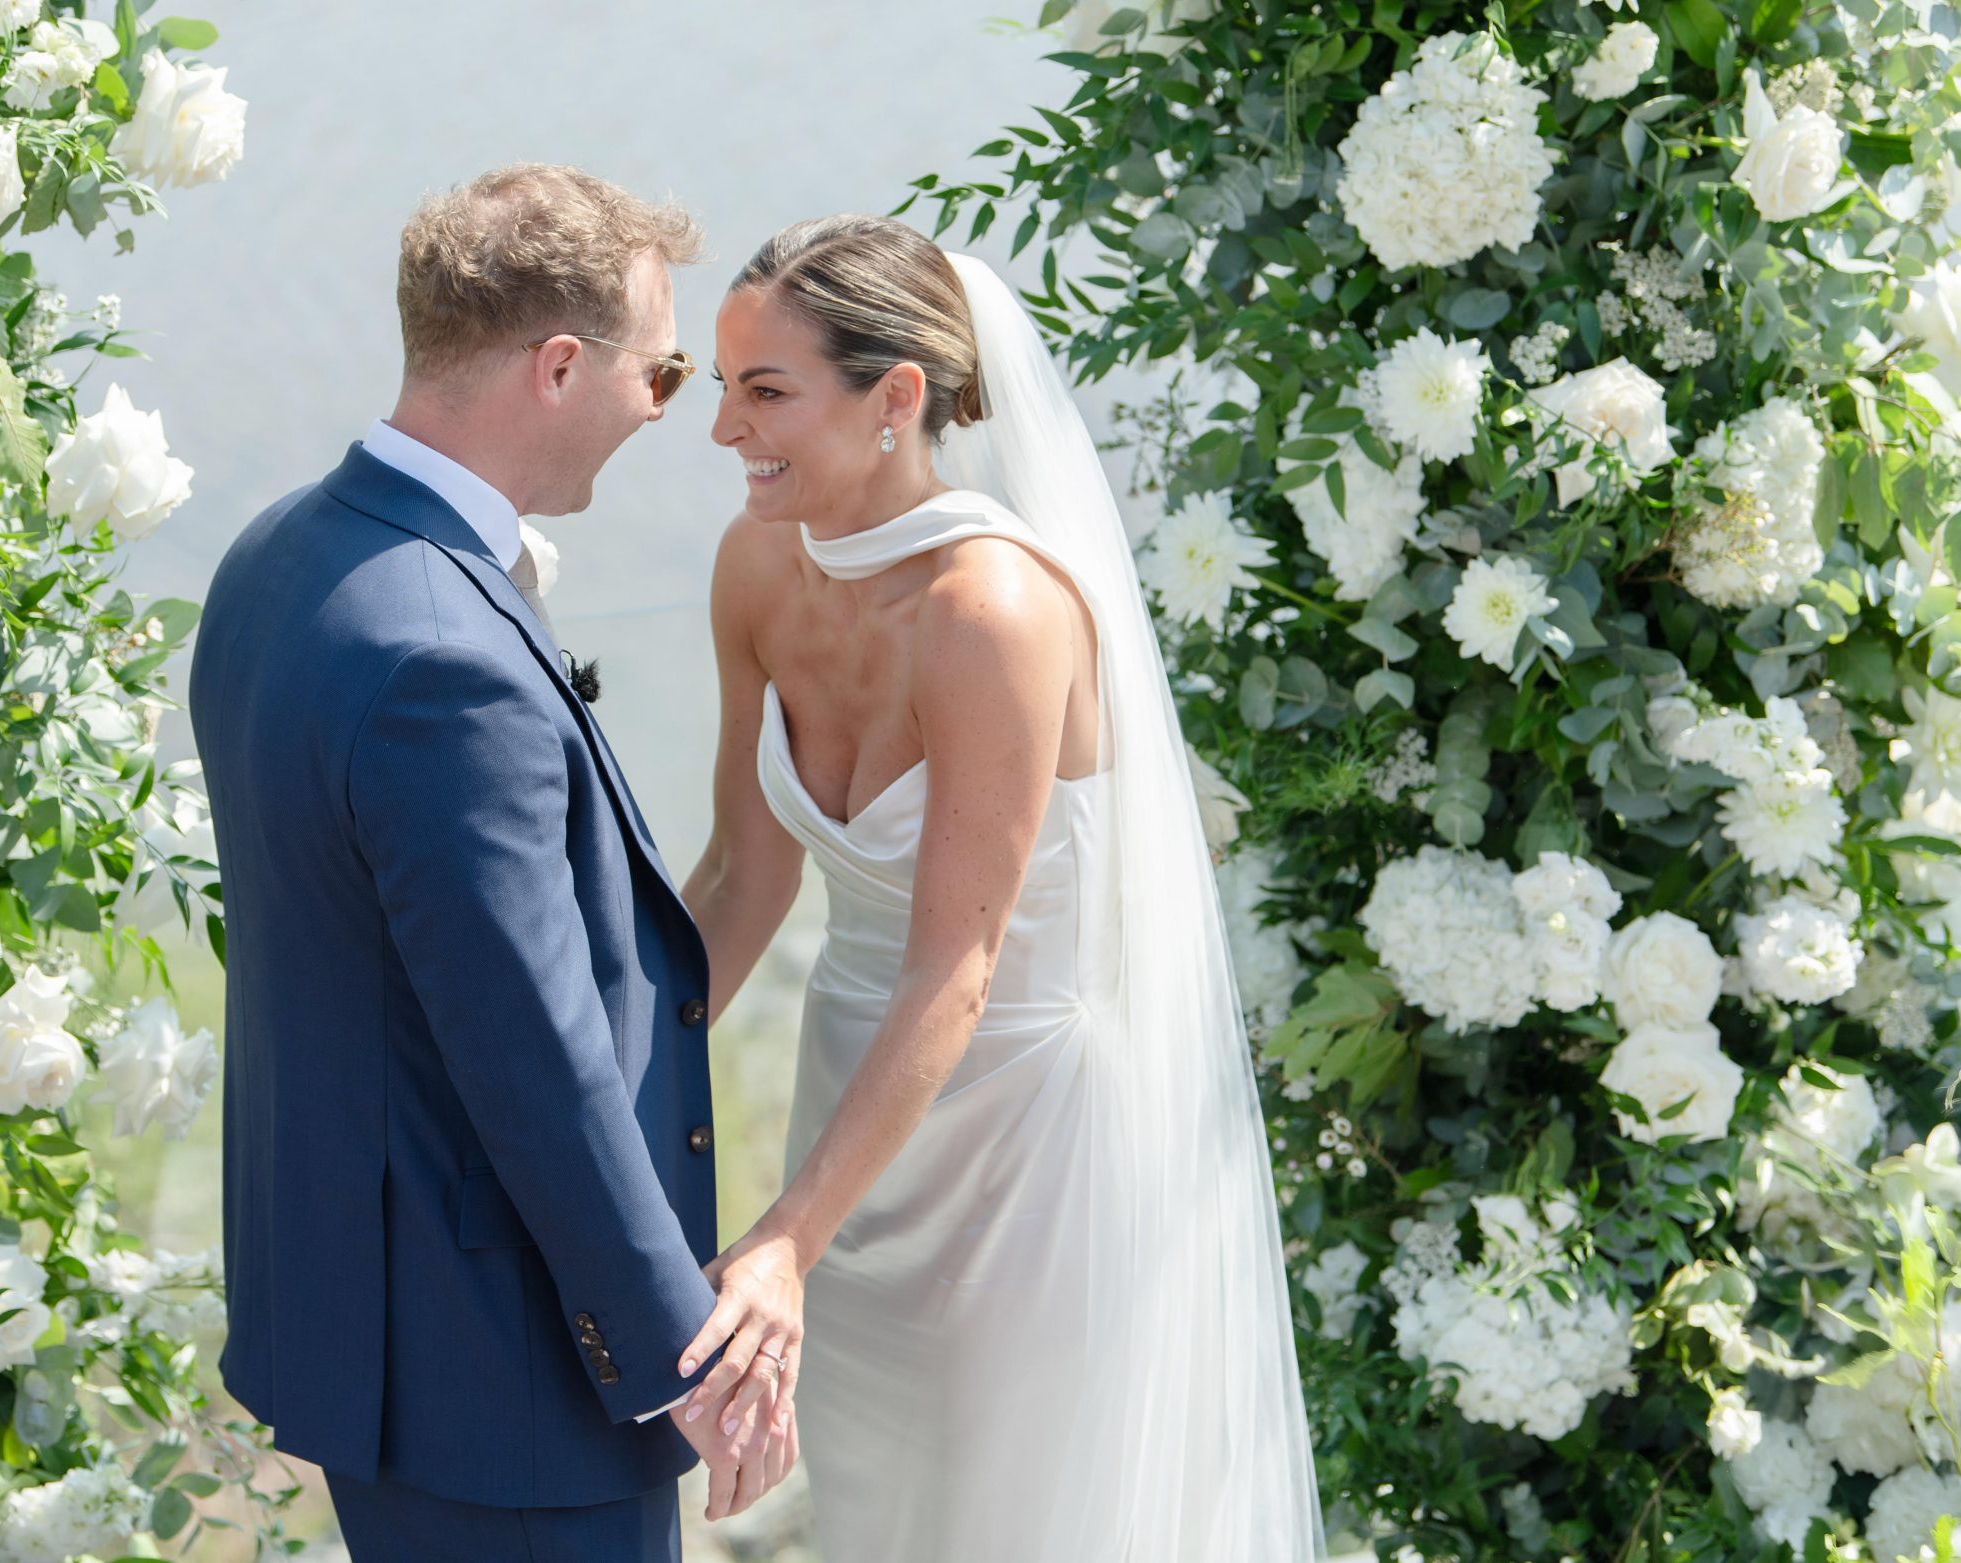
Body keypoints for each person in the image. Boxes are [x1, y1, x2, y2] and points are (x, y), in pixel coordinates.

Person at [678, 215, 1325, 1559]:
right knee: (884, 1512)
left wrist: (784, 1240)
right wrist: (601, 1078)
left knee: (1017, 1516)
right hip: (851, 1099)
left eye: (768, 392)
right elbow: (743, 878)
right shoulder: (755, 568)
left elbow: (956, 968)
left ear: (897, 399)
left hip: (1026, 1141)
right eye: (721, 385)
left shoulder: (995, 614)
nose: (725, 430)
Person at [190, 165, 794, 1563]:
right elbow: (532, 1056)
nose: (673, 414)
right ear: (560, 365)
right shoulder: (443, 662)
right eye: (662, 373)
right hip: (499, 1367)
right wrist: (677, 1355)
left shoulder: (280, 553)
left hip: (363, 1315)